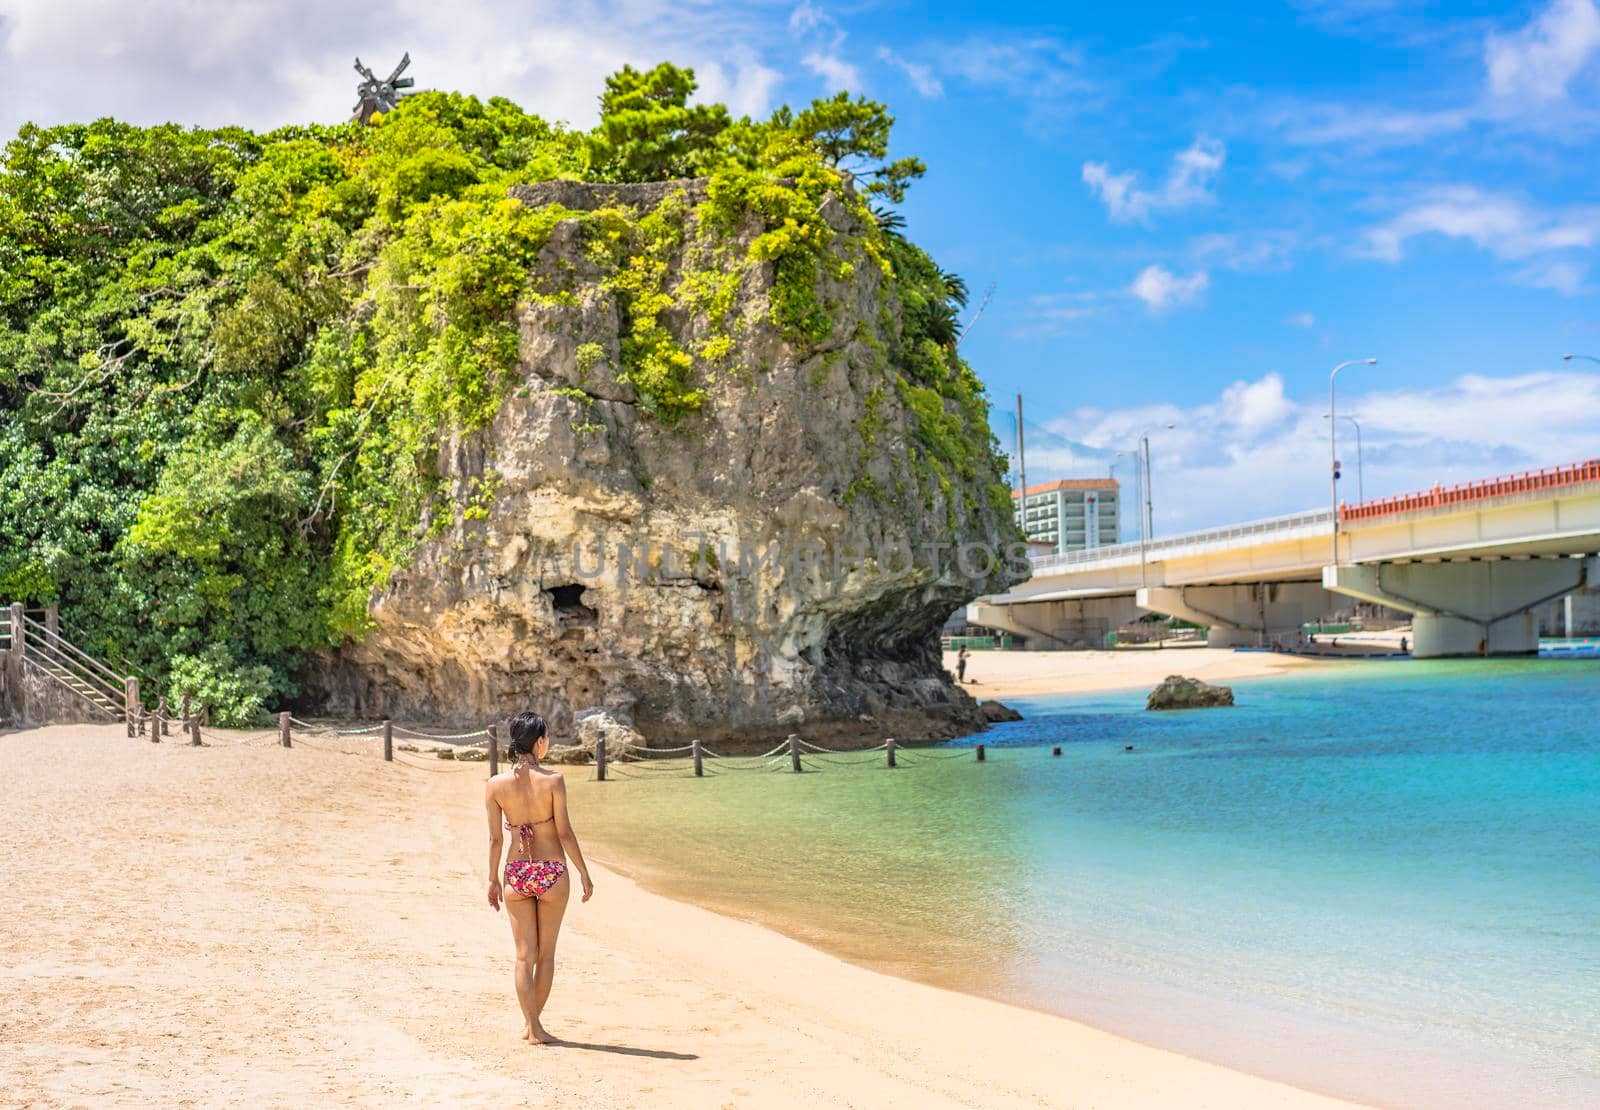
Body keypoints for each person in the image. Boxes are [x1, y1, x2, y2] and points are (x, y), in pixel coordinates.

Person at [485, 710, 594, 1045]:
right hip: (551, 871)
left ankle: (531, 1026)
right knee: (546, 954)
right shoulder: (554, 780)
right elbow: (564, 833)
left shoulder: (495, 785)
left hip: (516, 873)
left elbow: (496, 840)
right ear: (538, 741)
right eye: (546, 738)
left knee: (523, 955)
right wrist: (584, 872)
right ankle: (536, 1028)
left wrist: (492, 879)